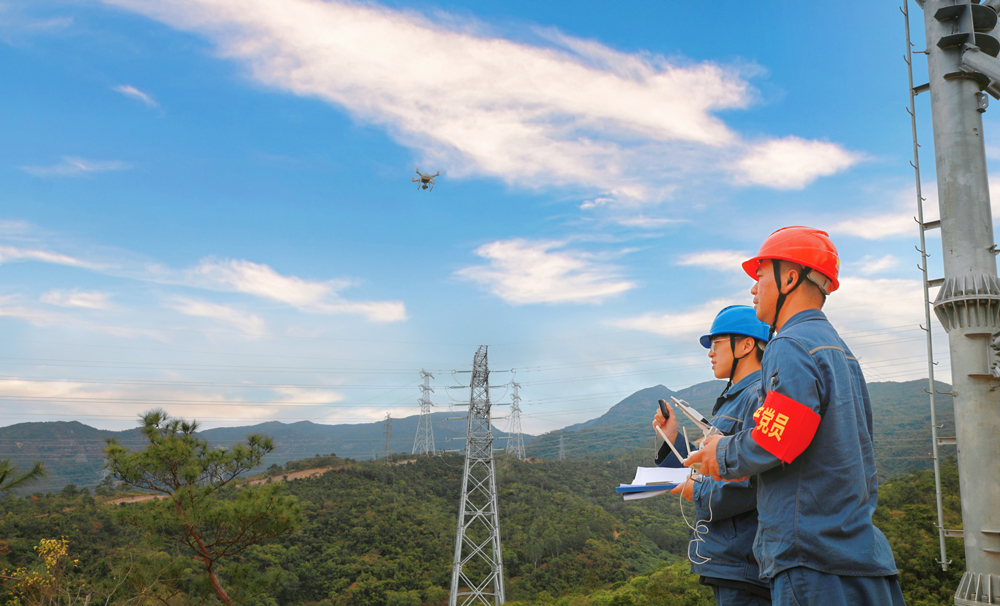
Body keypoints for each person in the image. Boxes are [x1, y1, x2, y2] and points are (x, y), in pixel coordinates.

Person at [684, 227, 905, 606]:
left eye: (760, 276)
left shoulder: (789, 344)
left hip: (812, 558)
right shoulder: (839, 350)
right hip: (858, 552)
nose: (753, 289)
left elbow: (776, 438)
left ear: (789, 278)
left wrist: (720, 452)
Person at [653, 305, 771, 606]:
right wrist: (671, 438)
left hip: (746, 561)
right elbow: (711, 462)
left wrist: (693, 489)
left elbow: (753, 479)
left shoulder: (758, 397)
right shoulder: (735, 399)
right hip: (732, 560)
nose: (710, 353)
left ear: (746, 345)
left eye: (716, 343)